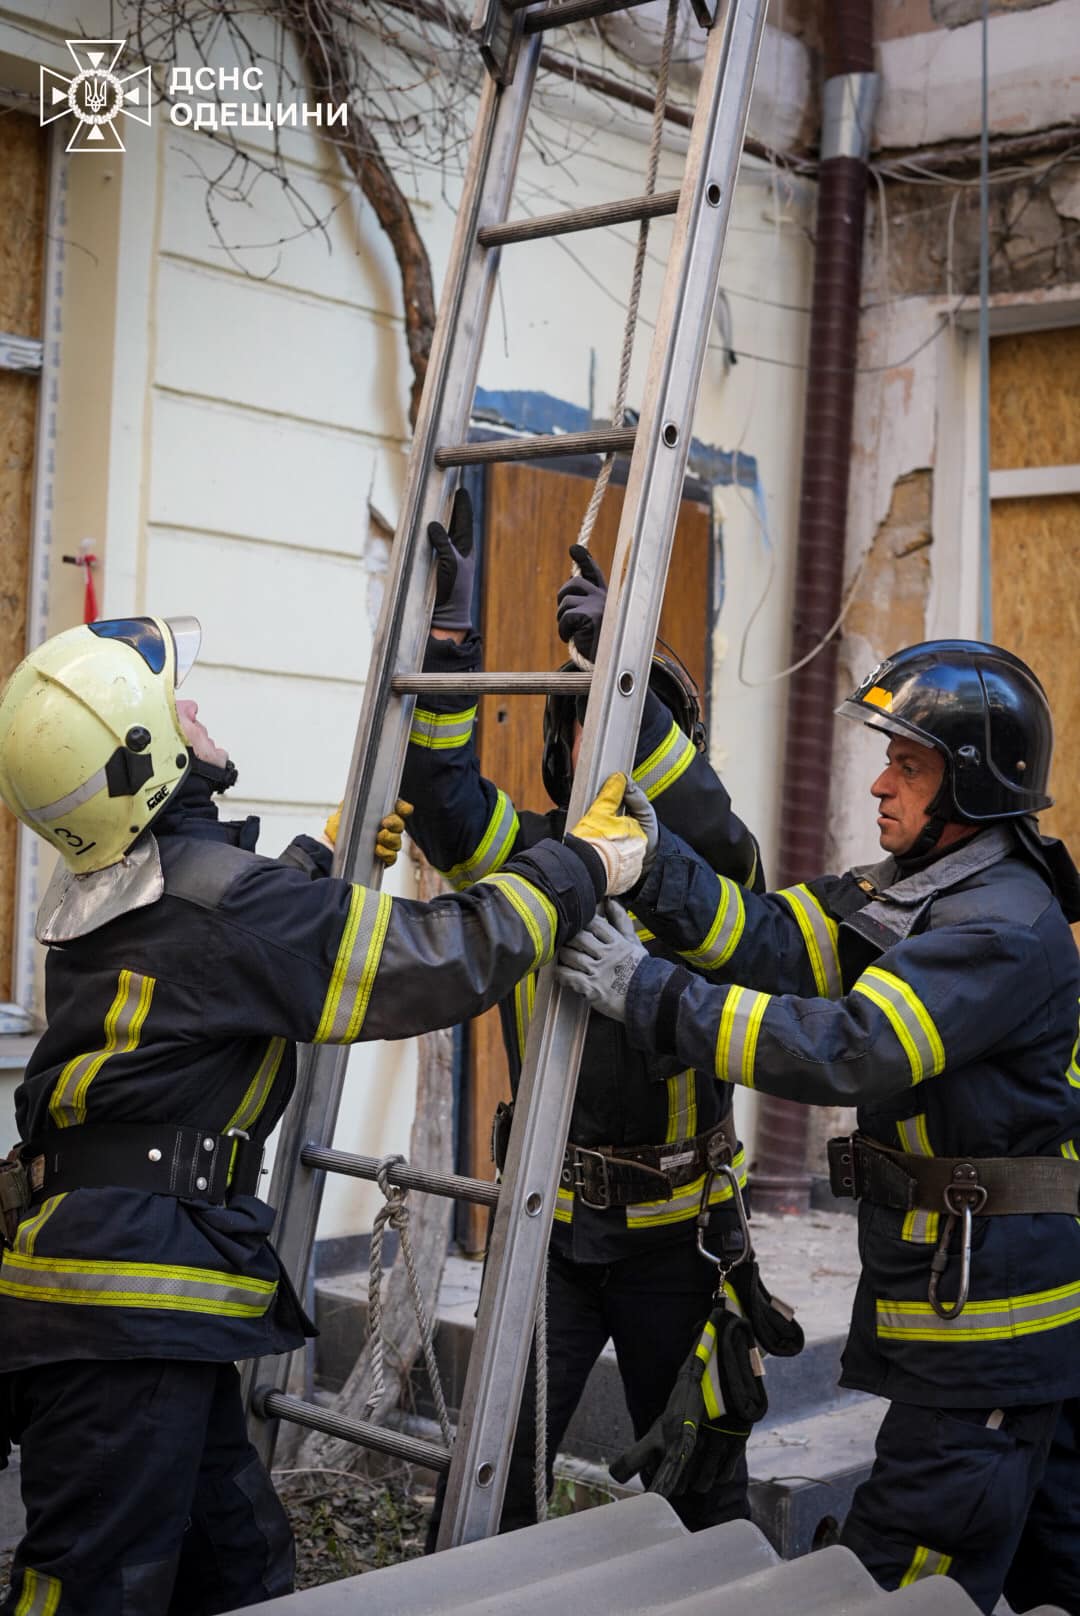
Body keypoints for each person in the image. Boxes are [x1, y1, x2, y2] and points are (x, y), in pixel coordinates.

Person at [0, 611, 652, 1616]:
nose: (197, 707)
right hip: (130, 1308)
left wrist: (324, 855)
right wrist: (584, 865)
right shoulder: (220, 907)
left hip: (127, 1293)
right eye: (177, 704)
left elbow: (221, 956)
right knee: (96, 1587)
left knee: (239, 1564)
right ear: (147, 755)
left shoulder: (120, 887)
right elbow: (442, 958)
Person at [556, 639, 1080, 1614]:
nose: (880, 782)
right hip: (991, 1327)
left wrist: (648, 991)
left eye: (909, 764)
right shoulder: (924, 889)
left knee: (897, 1582)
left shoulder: (998, 928)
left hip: (989, 1340)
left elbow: (852, 1044)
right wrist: (653, 863)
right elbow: (769, 938)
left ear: (968, 782)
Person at [404, 493, 796, 1537]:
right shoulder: (538, 855)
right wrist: (448, 645)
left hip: (681, 1242)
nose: (603, 760)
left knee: (705, 1487)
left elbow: (705, 833)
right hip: (554, 1236)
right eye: (587, 733)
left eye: (629, 736)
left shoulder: (717, 871)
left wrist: (623, 653)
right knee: (490, 1480)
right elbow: (443, 806)